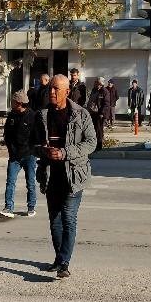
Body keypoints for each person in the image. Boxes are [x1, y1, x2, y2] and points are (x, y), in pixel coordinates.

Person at [33, 74, 97, 279]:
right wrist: (43, 151)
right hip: (50, 176)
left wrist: (64, 153)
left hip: (74, 176)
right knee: (55, 221)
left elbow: (91, 143)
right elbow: (33, 145)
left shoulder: (81, 114)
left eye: (56, 89)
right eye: (50, 88)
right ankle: (59, 258)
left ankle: (64, 263)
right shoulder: (42, 115)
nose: (51, 92)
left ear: (67, 92)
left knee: (69, 219)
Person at [0, 90, 37, 218]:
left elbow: (36, 136)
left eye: (13, 101)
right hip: (14, 156)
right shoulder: (12, 115)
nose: (11, 103)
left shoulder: (32, 116)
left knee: (30, 182)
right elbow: (7, 134)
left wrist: (32, 150)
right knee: (10, 182)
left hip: (29, 155)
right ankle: (8, 207)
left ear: (19, 103)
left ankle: (31, 207)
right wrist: (11, 149)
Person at [86, 77, 108, 151]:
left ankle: (99, 145)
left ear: (101, 84)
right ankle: (93, 145)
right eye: (96, 83)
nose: (97, 85)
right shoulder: (94, 90)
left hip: (99, 114)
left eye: (99, 84)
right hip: (92, 113)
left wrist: (102, 113)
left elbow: (106, 104)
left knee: (99, 130)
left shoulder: (104, 91)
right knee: (93, 130)